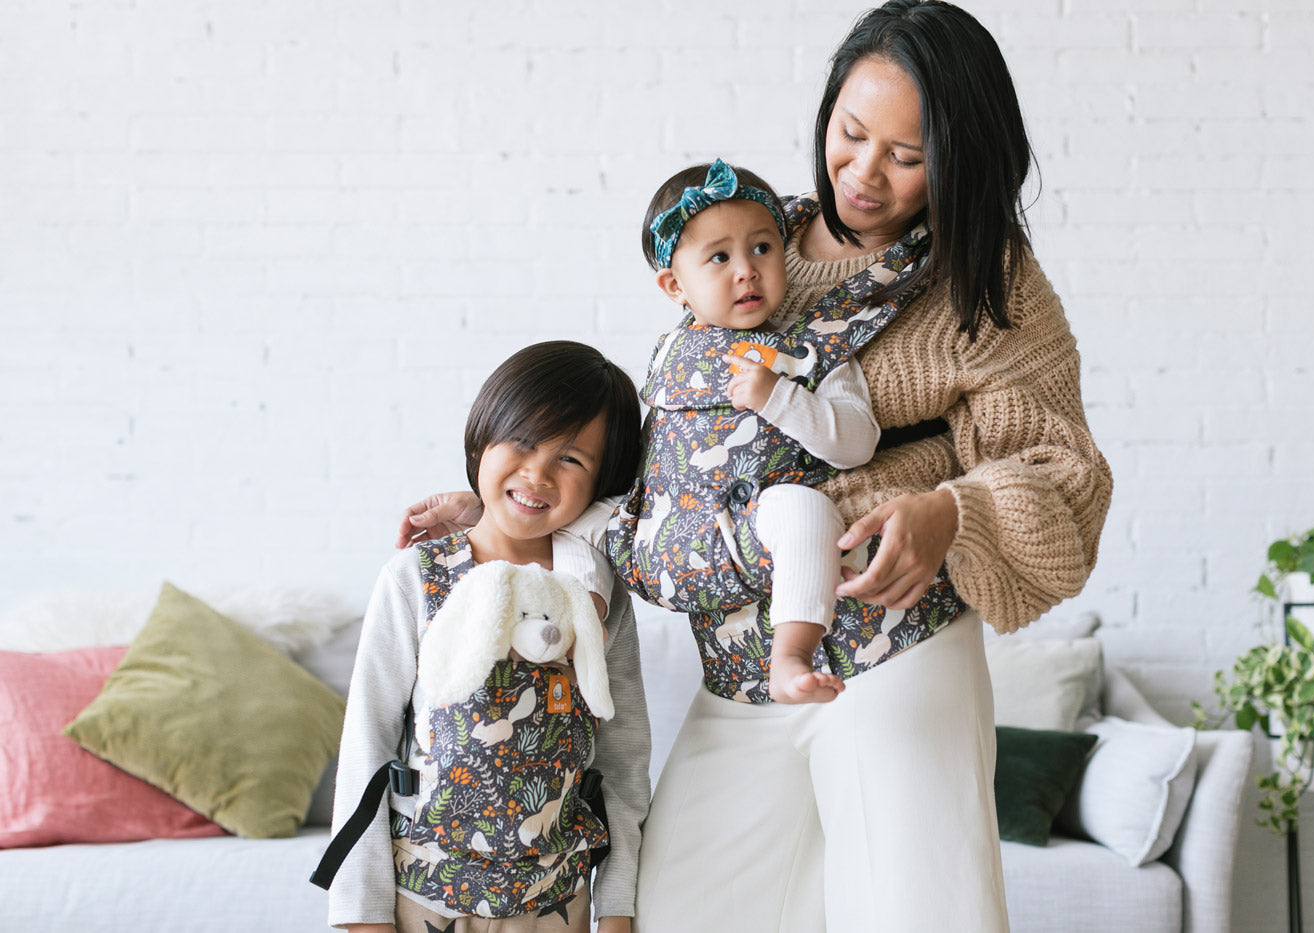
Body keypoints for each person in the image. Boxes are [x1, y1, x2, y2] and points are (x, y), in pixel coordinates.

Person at [399, 2, 1112, 929]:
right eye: (851, 134)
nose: (863, 172)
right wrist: (506, 507)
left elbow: (1064, 471)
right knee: (681, 908)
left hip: (895, 648)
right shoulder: (745, 238)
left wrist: (953, 511)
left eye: (906, 154)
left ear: (963, 156)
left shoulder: (988, 281)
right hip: (739, 667)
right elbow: (681, 463)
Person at [331, 341, 649, 933]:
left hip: (560, 903)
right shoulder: (418, 578)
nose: (538, 474)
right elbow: (366, 745)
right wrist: (360, 912)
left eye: (572, 460)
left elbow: (625, 762)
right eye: (524, 442)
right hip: (427, 896)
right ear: (483, 437)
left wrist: (619, 906)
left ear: (602, 480)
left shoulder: (597, 601)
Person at [568, 155, 884, 704]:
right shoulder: (668, 351)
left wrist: (778, 397)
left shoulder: (813, 349)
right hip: (667, 540)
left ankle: (790, 655)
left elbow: (857, 444)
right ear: (675, 285)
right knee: (569, 508)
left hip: (757, 535)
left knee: (804, 508)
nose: (747, 269)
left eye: (762, 248)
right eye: (719, 257)